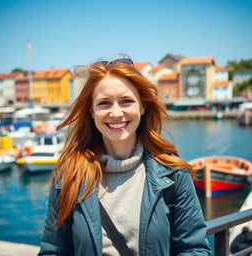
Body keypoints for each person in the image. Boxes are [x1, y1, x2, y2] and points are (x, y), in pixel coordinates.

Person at [38, 55, 212, 256]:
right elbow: (53, 251)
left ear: (143, 106)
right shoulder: (69, 178)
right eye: (104, 103)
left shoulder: (174, 175)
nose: (116, 113)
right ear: (91, 111)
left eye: (126, 101)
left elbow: (194, 248)